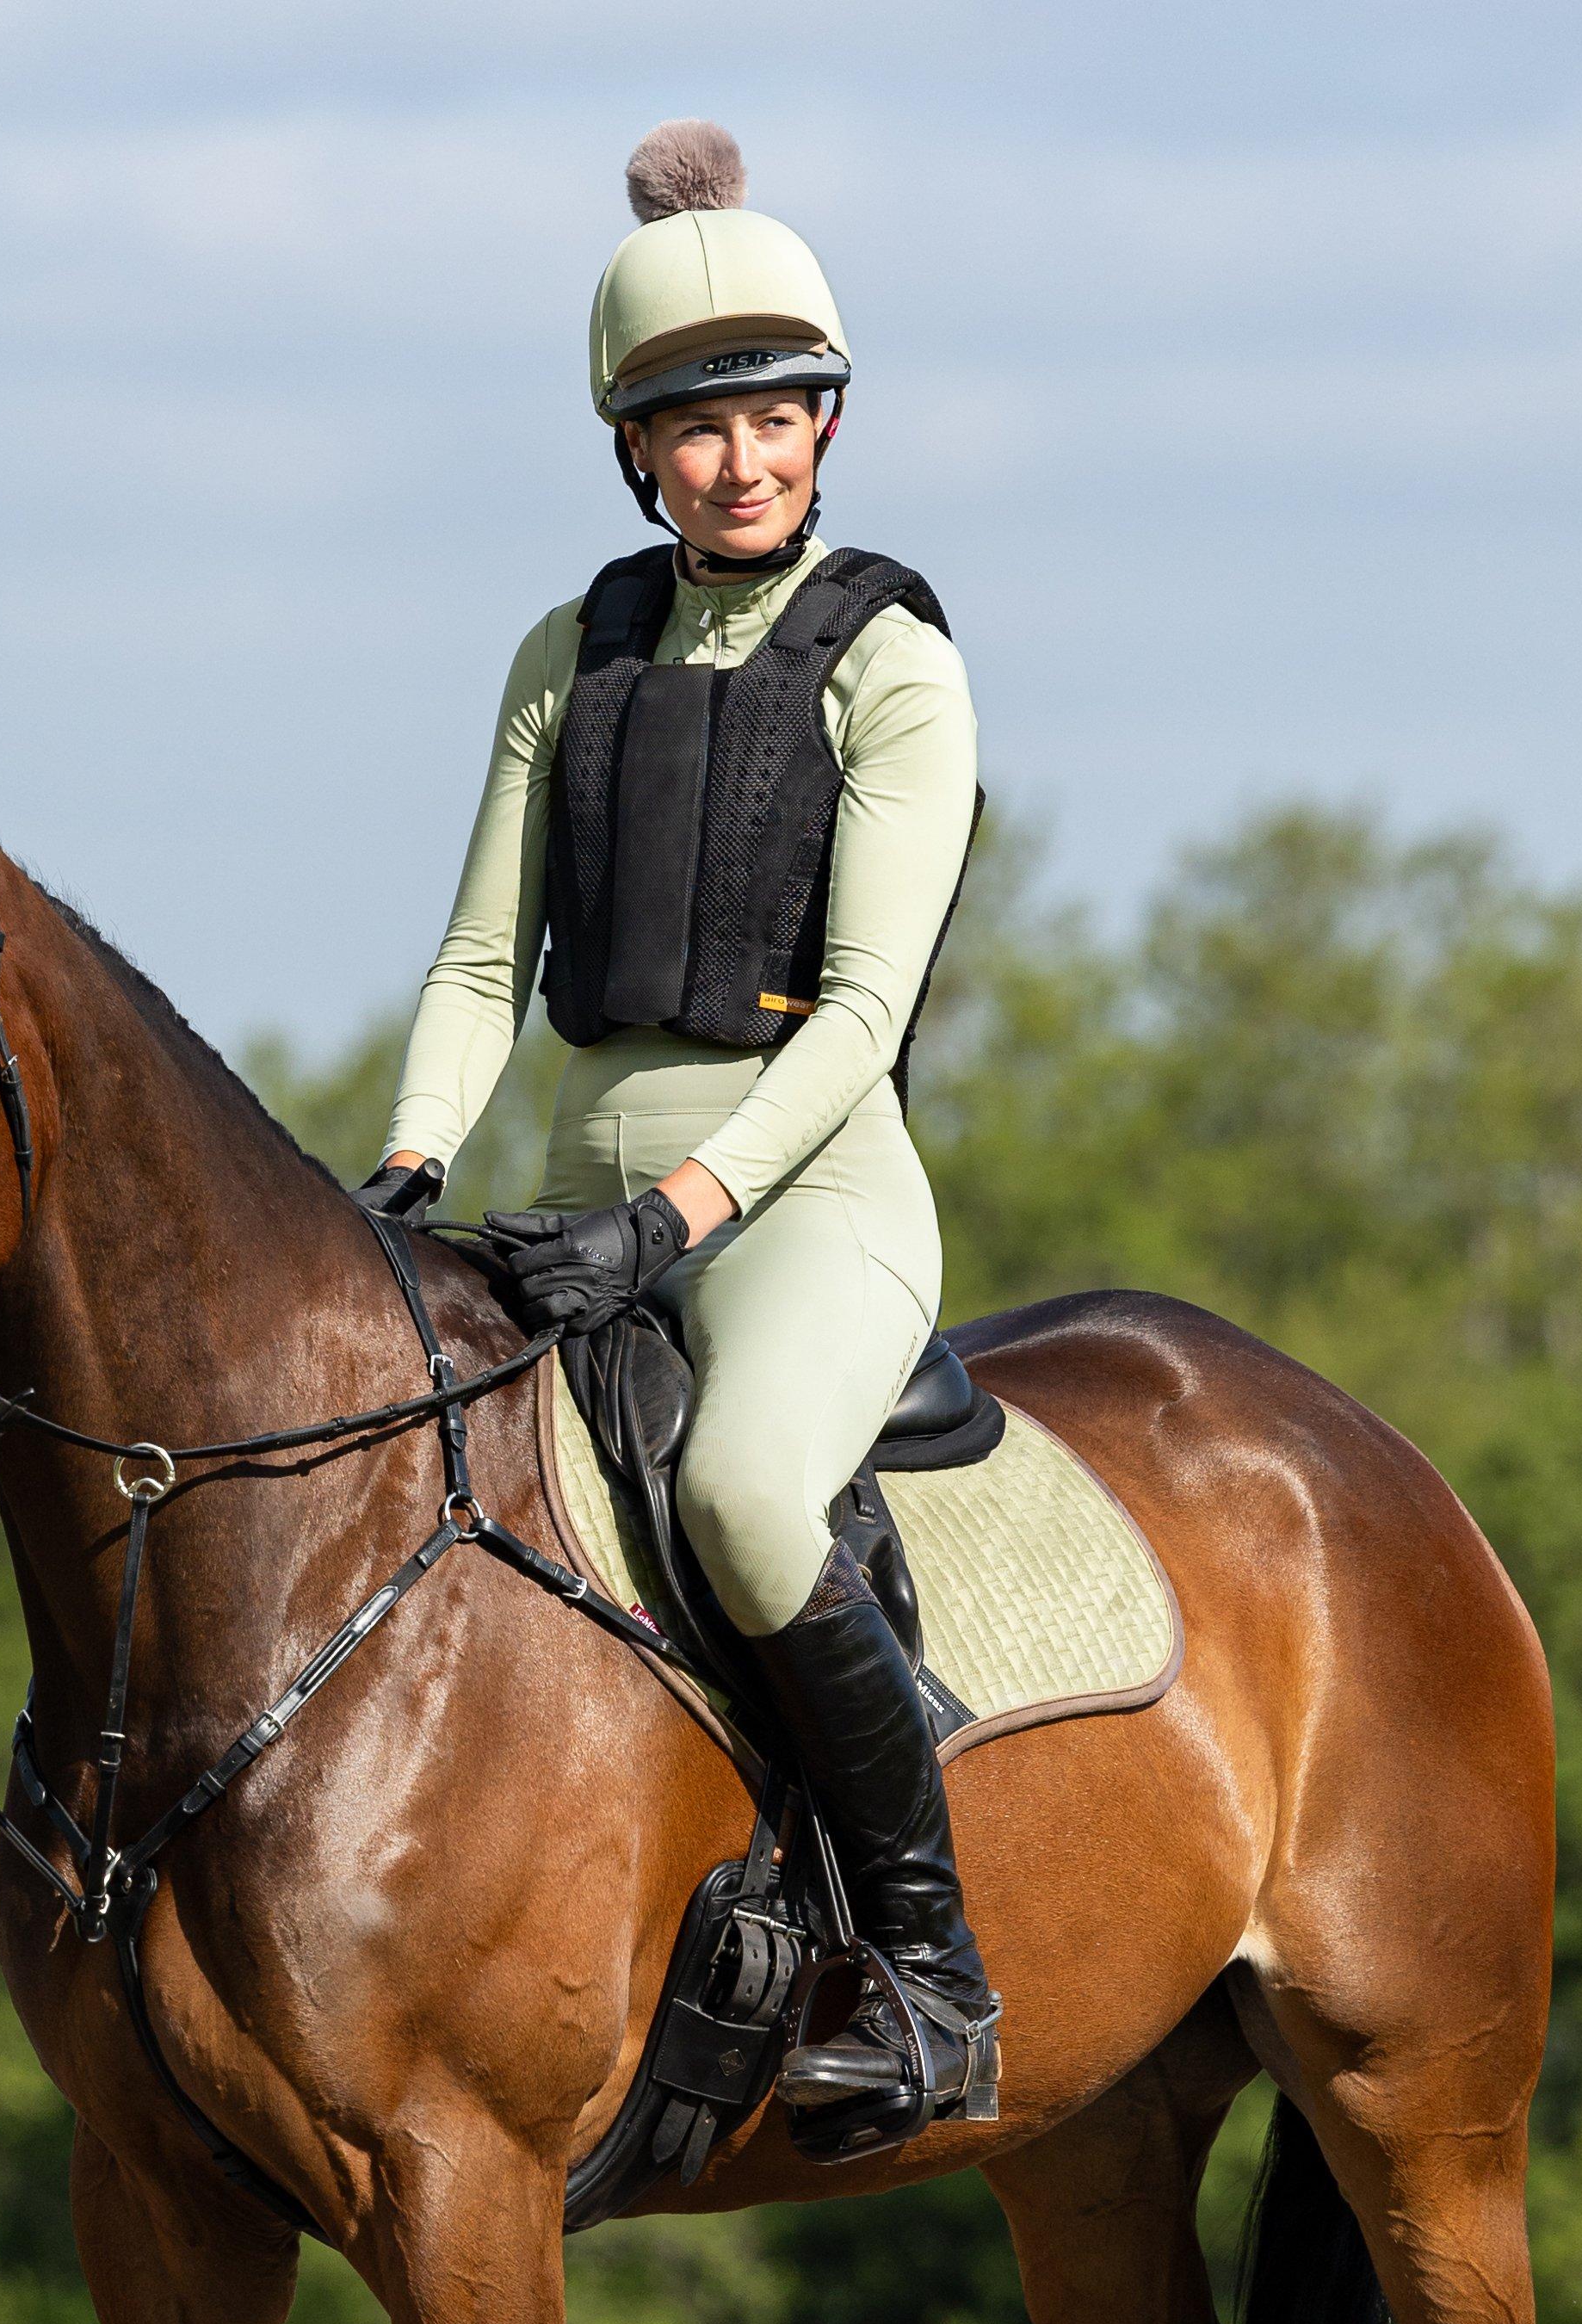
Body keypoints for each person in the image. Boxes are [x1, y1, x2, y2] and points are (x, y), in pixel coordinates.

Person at [359, 120, 996, 2160]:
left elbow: (870, 1020)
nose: (739, 458)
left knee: (730, 1492)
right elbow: (480, 958)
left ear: (827, 423)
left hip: (803, 1193)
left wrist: (682, 1215)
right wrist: (404, 1167)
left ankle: (925, 1970)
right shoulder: (574, 653)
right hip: (573, 1173)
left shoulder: (892, 663)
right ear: (635, 450)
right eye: (693, 426)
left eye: (775, 416)